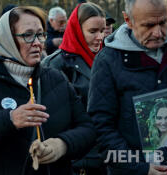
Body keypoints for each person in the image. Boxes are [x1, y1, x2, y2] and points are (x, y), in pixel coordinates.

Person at [0, 6, 96, 175]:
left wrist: (62, 144)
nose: (37, 42)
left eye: (40, 34)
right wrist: (9, 119)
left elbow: (88, 129)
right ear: (8, 39)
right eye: (27, 35)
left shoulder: (55, 78)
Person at [88, 0, 167, 174]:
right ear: (128, 20)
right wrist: (140, 168)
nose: (158, 32)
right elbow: (101, 126)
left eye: (163, 22)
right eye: (148, 25)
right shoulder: (108, 61)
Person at [42, 2, 106, 175]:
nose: (100, 37)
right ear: (77, 30)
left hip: (110, 154)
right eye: (93, 31)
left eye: (103, 30)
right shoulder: (54, 65)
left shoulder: (109, 57)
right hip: (77, 159)